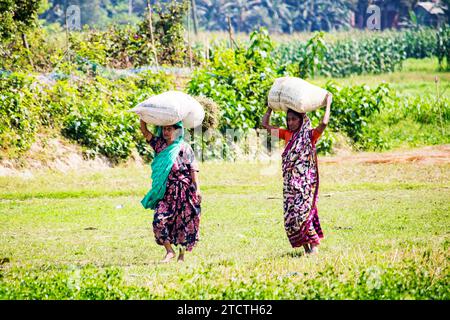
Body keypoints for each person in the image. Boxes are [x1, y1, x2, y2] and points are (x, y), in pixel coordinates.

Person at [262, 93, 332, 254]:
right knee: (291, 218)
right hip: (289, 185)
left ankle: (314, 246)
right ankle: (306, 248)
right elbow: (265, 124)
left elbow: (324, 123)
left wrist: (328, 104)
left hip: (304, 184)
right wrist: (270, 106)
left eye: (294, 119)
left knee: (302, 214)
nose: (291, 122)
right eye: (289, 119)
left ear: (302, 120)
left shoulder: (309, 135)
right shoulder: (286, 134)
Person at [140, 119, 201, 263]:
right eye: (164, 129)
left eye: (169, 129)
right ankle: (169, 251)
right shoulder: (159, 146)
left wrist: (197, 189)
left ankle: (181, 255)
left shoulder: (184, 147)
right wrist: (144, 115)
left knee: (183, 223)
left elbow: (193, 169)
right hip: (166, 192)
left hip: (184, 191)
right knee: (159, 220)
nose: (166, 132)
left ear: (177, 130)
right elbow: (145, 131)